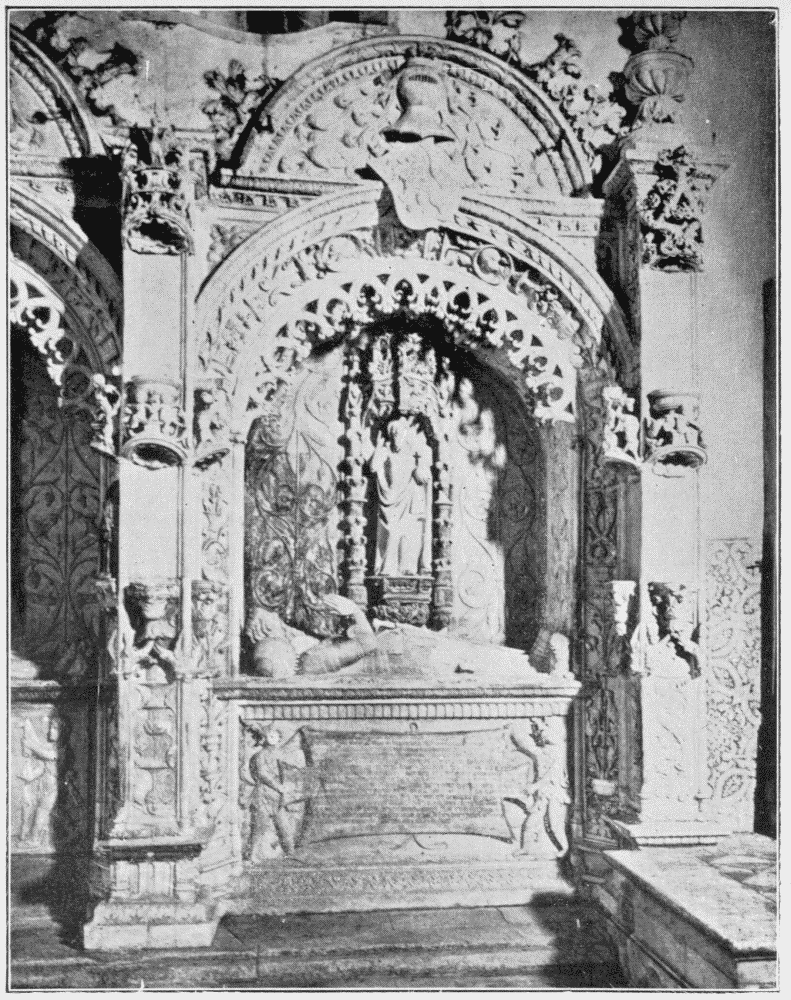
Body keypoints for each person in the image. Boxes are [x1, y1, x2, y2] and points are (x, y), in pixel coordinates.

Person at [370, 417, 432, 577]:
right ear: (390, 435)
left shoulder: (412, 454)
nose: (397, 436)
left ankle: (407, 568)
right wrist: (378, 448)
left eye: (400, 433)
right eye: (394, 433)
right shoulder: (386, 451)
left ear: (405, 435)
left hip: (409, 497)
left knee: (409, 532)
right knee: (391, 531)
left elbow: (423, 477)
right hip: (390, 498)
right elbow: (373, 467)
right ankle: (387, 568)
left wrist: (420, 469)